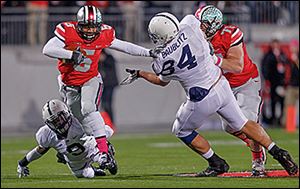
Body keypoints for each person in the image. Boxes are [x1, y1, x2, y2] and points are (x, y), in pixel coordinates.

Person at [121, 12, 298, 177]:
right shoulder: (190, 25)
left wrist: (140, 73)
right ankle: (277, 151)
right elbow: (192, 23)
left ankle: (216, 162)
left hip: (203, 96)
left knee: (181, 129)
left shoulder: (160, 62)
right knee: (242, 124)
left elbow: (162, 81)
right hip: (222, 86)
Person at [42, 5, 159, 169]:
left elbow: (124, 46)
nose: (90, 31)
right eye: (86, 26)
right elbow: (47, 49)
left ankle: (103, 154)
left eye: (93, 27)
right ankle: (101, 149)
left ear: (99, 26)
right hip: (69, 84)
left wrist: (147, 52)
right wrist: (71, 55)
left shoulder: (104, 33)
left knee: (88, 108)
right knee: (80, 122)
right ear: (78, 24)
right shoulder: (67, 31)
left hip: (91, 79)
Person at [194, 5, 266, 176]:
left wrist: (213, 59)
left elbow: (237, 66)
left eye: (202, 24)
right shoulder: (197, 39)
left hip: (245, 82)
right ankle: (254, 142)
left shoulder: (230, 34)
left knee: (247, 122)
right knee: (229, 126)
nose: (199, 27)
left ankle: (257, 159)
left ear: (213, 24)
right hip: (223, 86)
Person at [17, 99, 117, 178]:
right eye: (54, 122)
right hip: (74, 159)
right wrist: (23, 163)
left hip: (90, 148)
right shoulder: (46, 134)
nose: (59, 123)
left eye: (60, 118)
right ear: (48, 124)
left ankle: (107, 157)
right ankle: (93, 170)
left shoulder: (78, 121)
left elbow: (103, 132)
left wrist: (103, 147)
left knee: (102, 160)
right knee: (83, 175)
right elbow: (40, 149)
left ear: (67, 113)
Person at [261, 38, 290, 127]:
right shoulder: (268, 55)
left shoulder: (282, 55)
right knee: (273, 101)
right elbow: (265, 69)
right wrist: (267, 81)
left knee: (282, 102)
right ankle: (273, 120)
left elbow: (286, 67)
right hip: (272, 82)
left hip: (281, 83)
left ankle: (280, 119)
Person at [98, 49, 119, 126]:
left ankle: (111, 124)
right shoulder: (98, 61)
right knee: (103, 104)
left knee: (107, 104)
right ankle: (107, 123)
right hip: (102, 85)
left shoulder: (109, 57)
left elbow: (111, 66)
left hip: (109, 84)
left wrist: (104, 59)